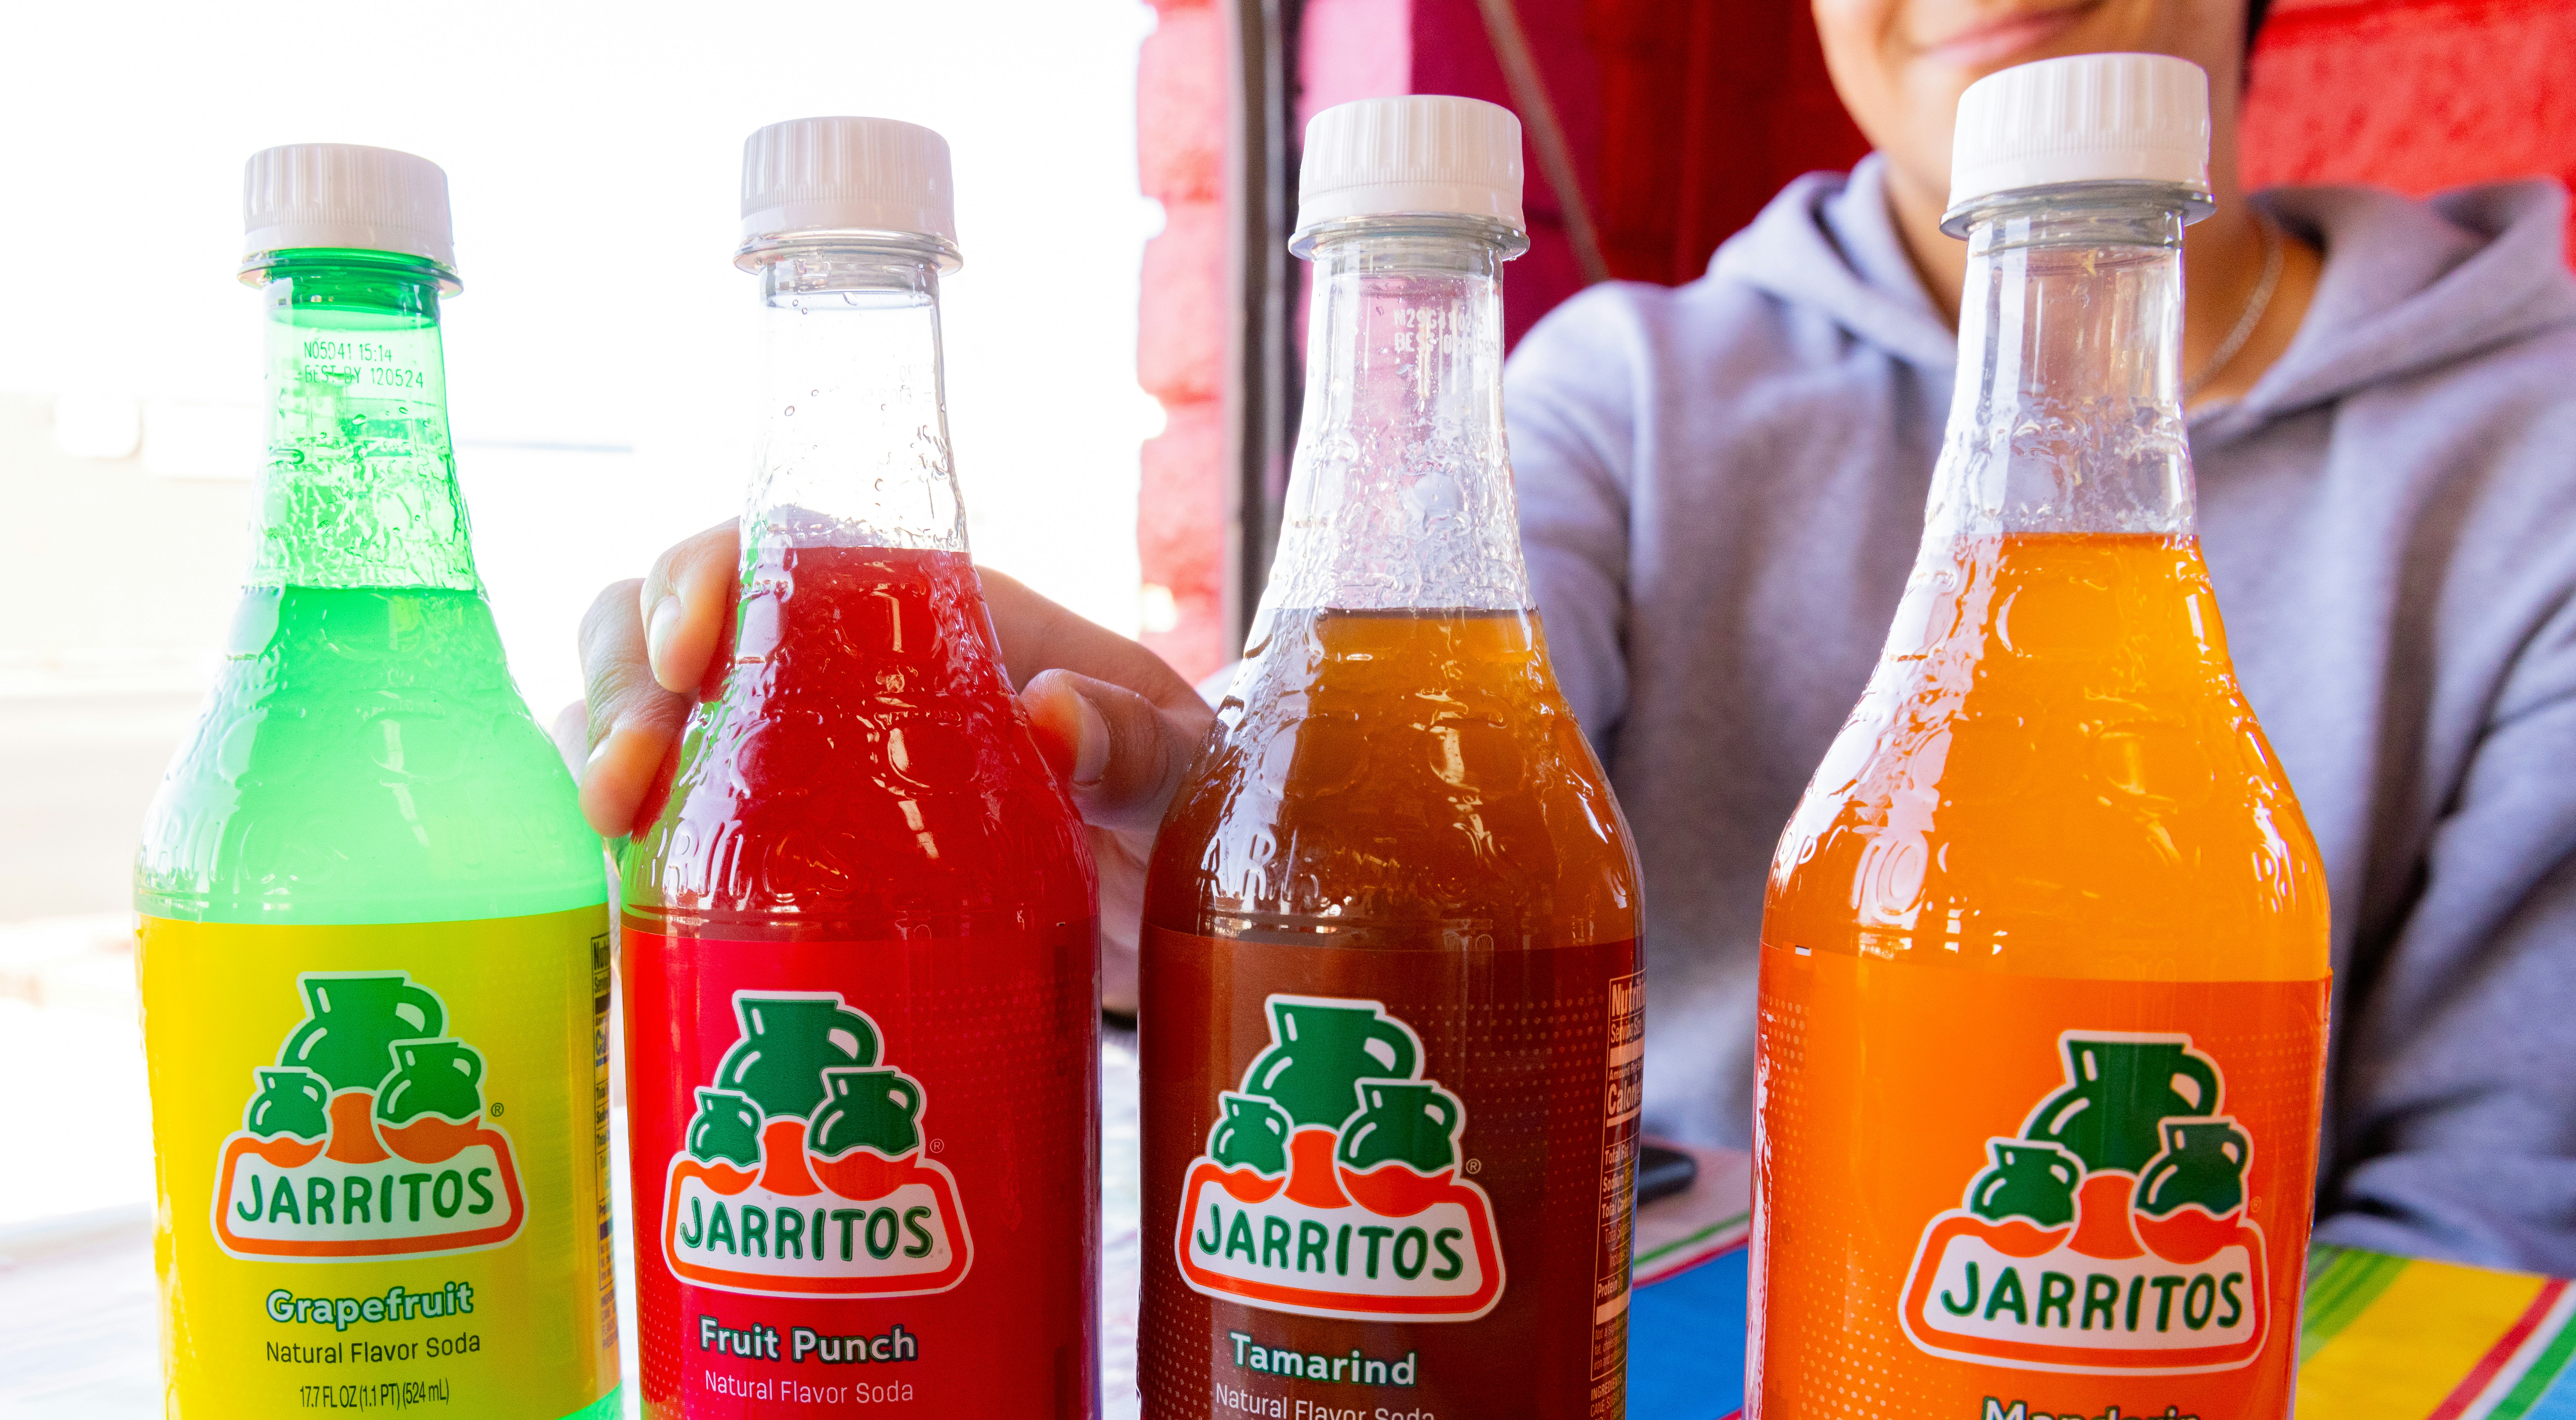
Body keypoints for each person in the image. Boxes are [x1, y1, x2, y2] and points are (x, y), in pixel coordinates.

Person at [567, 0, 2576, 1277]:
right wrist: (1171, 798)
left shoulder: (2533, 455)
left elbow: (2493, 1227)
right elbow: (1404, 797)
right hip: (1607, 1338)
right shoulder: (1625, 385)